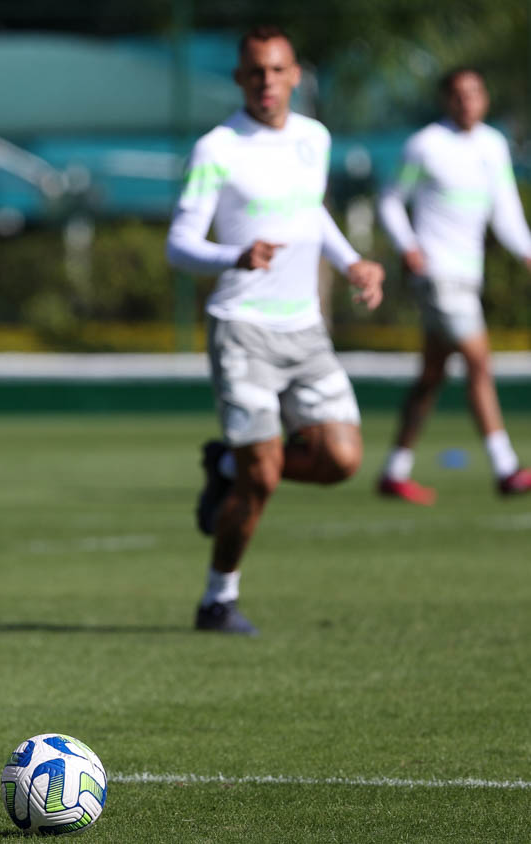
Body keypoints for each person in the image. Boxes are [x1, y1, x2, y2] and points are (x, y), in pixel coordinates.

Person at [166, 25, 385, 636]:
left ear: (295, 76)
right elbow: (181, 244)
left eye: (278, 70)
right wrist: (233, 255)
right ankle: (218, 601)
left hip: (305, 330)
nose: (267, 82)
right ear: (240, 78)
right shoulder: (218, 148)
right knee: (264, 475)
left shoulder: (314, 138)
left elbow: (310, 210)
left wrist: (353, 262)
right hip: (242, 330)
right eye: (255, 71)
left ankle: (228, 468)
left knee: (341, 459)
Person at [375, 67, 531, 503]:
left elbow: (506, 212)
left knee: (431, 377)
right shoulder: (425, 145)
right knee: (479, 363)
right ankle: (505, 467)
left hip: (469, 274)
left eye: (475, 93)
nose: (467, 102)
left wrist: (527, 251)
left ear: (484, 98)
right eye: (459, 94)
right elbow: (390, 200)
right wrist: (408, 245)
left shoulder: (493, 146)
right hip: (437, 273)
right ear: (446, 99)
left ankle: (394, 470)